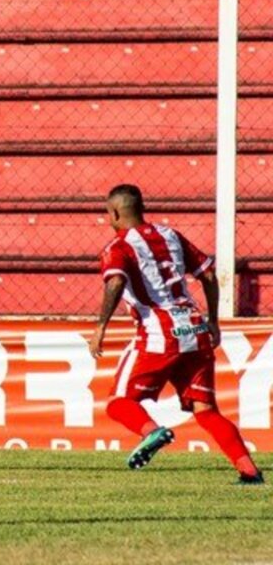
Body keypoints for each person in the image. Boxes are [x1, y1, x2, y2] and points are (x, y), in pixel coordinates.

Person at [89, 184, 262, 483]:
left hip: (158, 332)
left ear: (115, 212)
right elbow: (207, 274)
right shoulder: (171, 236)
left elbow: (115, 283)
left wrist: (100, 326)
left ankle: (152, 431)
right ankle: (250, 472)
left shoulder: (117, 247)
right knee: (206, 410)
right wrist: (213, 320)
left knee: (119, 402)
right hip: (194, 327)